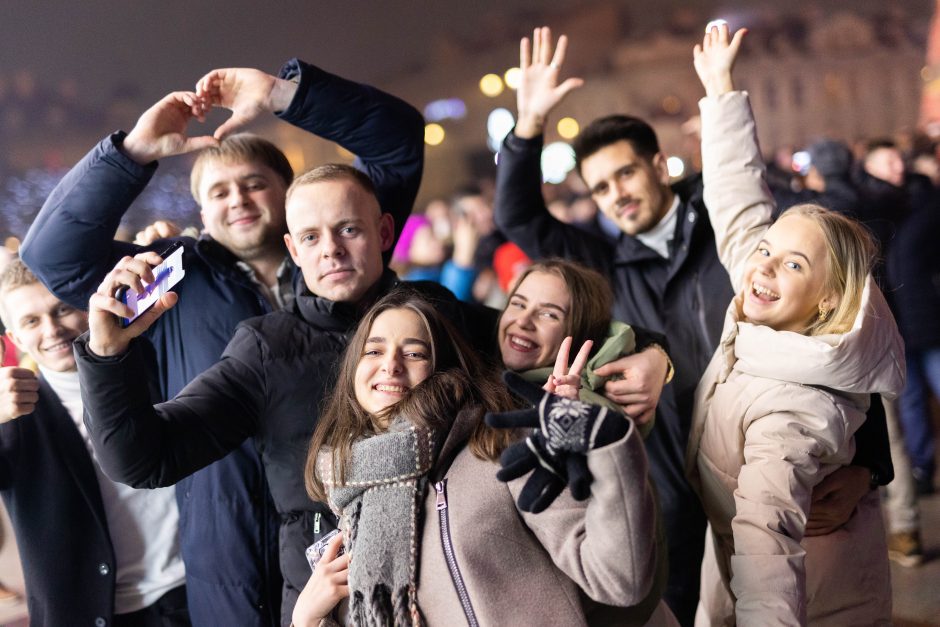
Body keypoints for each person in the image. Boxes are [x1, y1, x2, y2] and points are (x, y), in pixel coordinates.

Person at [493, 27, 892, 624]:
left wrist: (869, 462)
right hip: (678, 485)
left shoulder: (739, 241)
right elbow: (517, 214)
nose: (616, 196)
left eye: (625, 174)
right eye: (600, 188)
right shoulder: (606, 262)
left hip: (784, 471)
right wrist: (527, 125)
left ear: (658, 164)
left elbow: (829, 342)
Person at [21, 60, 423, 625]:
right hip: (225, 551)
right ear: (201, 212)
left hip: (346, 543)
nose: (238, 199)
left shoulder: (338, 250)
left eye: (255, 184)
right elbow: (51, 257)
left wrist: (283, 95)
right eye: (219, 191)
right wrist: (134, 150)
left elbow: (398, 142)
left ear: (289, 198)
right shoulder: (167, 275)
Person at [73, 163, 490, 623]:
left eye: (348, 229)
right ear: (293, 249)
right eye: (310, 237)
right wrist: (107, 355)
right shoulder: (266, 348)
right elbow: (143, 458)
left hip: (462, 589)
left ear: (384, 230)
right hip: (331, 609)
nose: (330, 249)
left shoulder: (441, 314)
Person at [688, 25, 904, 624]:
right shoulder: (782, 316)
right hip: (753, 571)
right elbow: (740, 209)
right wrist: (722, 91)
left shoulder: (792, 409)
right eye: (766, 251)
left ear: (828, 296)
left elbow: (767, 549)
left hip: (812, 601)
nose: (762, 266)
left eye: (792, 264)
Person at [293, 289, 673, 626]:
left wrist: (607, 448)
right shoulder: (349, 498)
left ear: (442, 367)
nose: (391, 364)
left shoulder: (499, 447)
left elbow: (620, 580)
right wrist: (307, 618)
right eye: (374, 350)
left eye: (413, 352)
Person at [0, 260, 188, 626]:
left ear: (88, 307)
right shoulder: (14, 416)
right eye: (32, 321)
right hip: (94, 614)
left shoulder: (150, 366)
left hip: (194, 587)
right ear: (15, 339)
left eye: (62, 309)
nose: (53, 329)